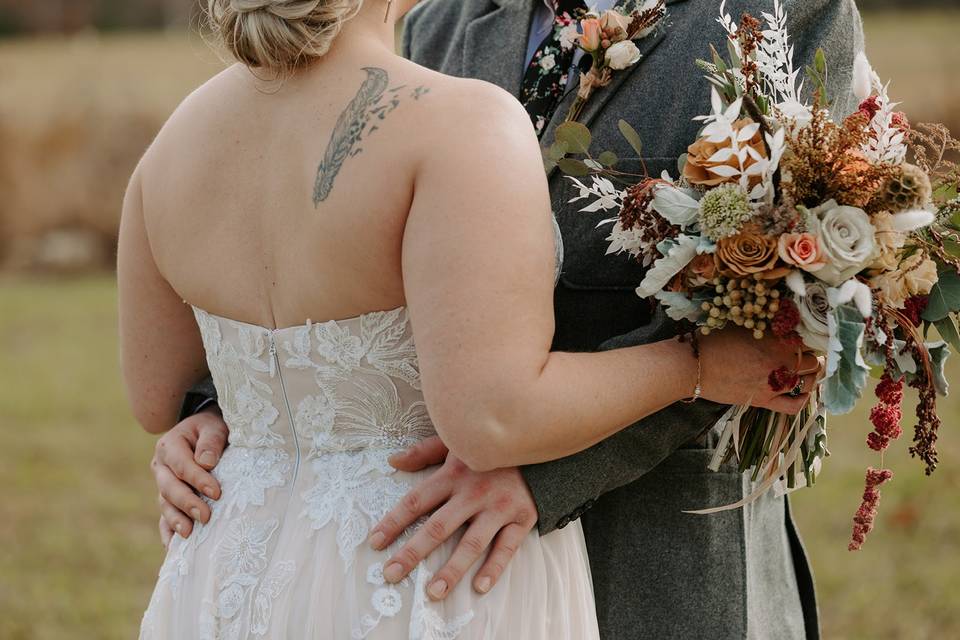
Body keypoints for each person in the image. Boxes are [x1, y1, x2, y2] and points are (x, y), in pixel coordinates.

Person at [141, 0, 858, 637]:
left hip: (658, 544)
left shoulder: (784, 13)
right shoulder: (438, 22)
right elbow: (339, 240)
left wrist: (544, 478)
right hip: (425, 547)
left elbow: (779, 305)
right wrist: (224, 409)